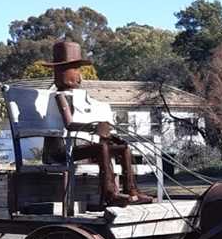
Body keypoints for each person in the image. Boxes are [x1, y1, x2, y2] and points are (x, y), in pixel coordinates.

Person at [41, 41, 152, 207]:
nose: (79, 75)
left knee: (123, 146)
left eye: (78, 69)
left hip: (75, 147)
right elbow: (69, 125)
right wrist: (94, 127)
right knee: (102, 148)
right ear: (62, 71)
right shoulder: (59, 96)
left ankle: (131, 190)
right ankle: (109, 193)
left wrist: (106, 130)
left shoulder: (80, 97)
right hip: (59, 151)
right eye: (74, 69)